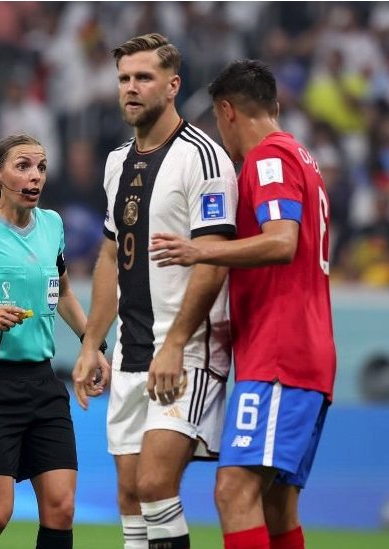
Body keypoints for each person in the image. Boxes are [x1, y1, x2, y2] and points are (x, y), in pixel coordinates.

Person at [149, 59, 337, 549]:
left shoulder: (268, 160)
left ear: (227, 111)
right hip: (306, 354)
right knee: (276, 506)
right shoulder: (303, 158)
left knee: (233, 490)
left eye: (216, 120)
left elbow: (281, 242)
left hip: (280, 356)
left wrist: (200, 248)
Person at [71, 33, 237, 549]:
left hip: (185, 350)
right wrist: (92, 343)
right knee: (128, 495)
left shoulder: (203, 159)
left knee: (154, 485)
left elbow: (213, 263)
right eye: (124, 78)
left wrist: (174, 344)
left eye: (143, 77)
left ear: (172, 86)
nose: (131, 88)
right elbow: (107, 255)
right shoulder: (117, 161)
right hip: (130, 350)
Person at [0, 134, 108, 549]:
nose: (35, 177)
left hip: (43, 385)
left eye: (42, 168)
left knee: (62, 508)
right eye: (24, 166)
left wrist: (93, 346)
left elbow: (63, 291)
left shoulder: (53, 225)